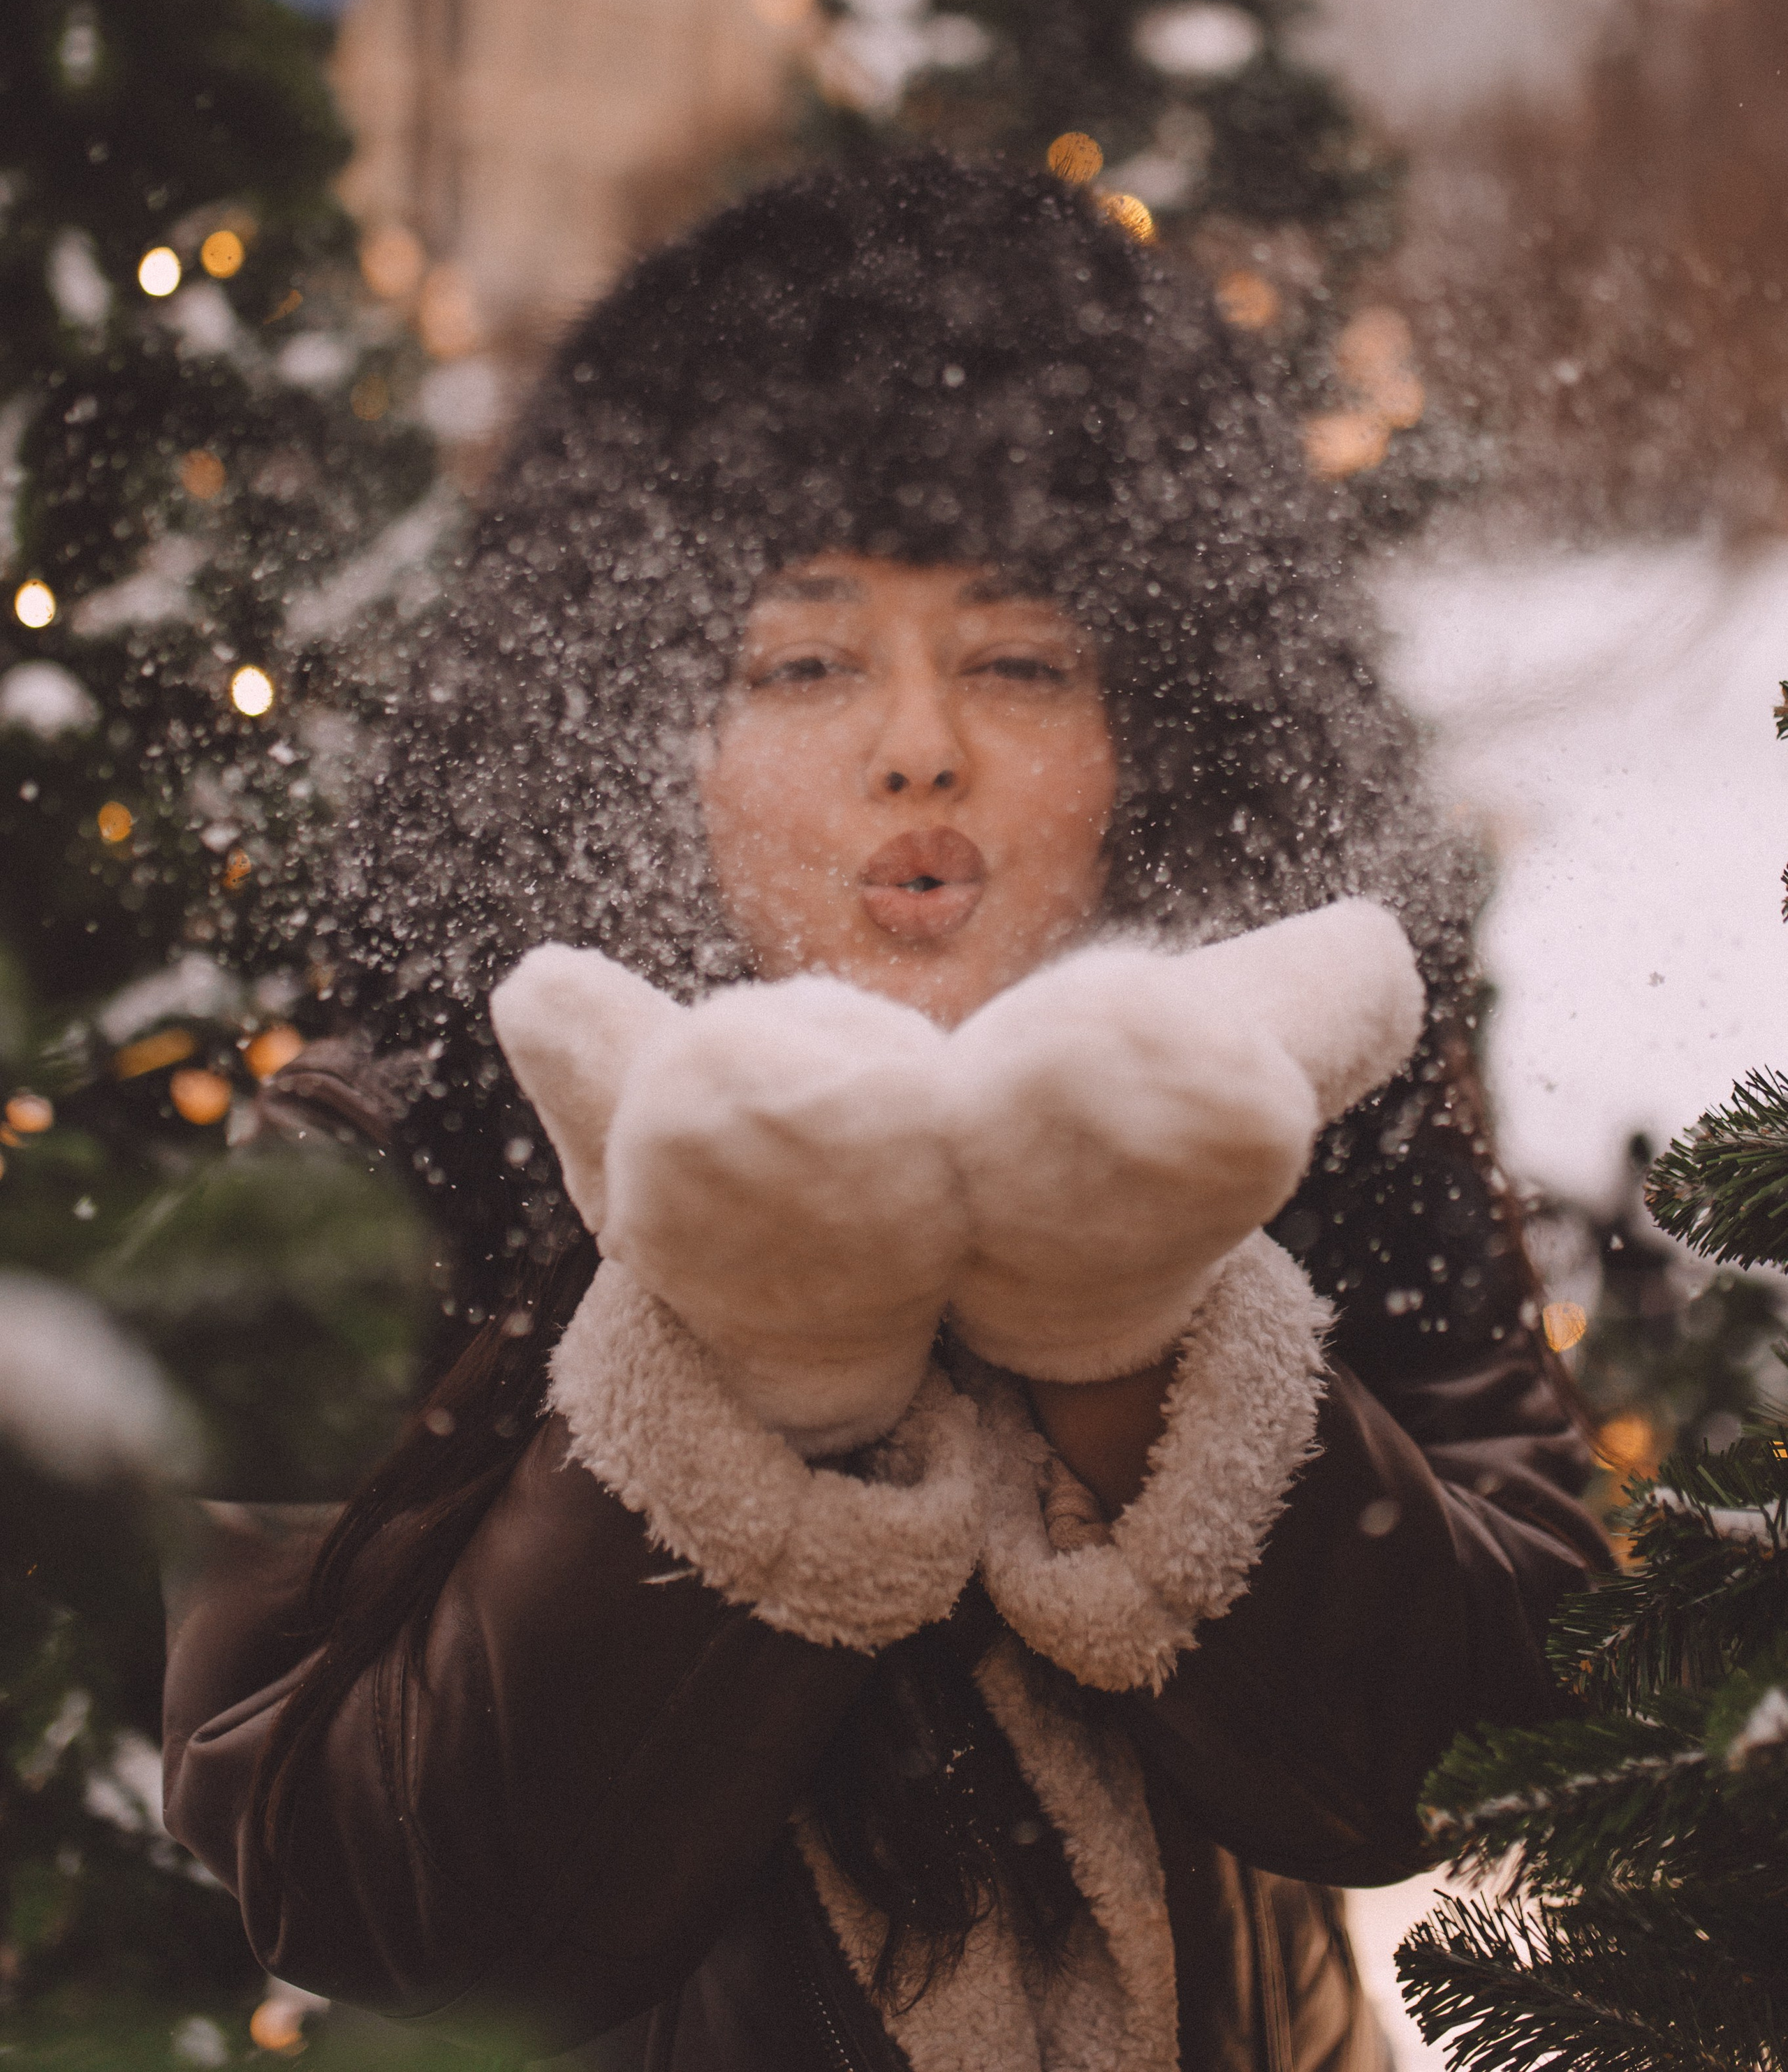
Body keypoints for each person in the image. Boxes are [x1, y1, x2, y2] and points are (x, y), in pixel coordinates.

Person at [163, 154, 1604, 2072]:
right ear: (635, 729)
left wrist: (1141, 1345)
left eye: (1018, 659)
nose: (919, 740)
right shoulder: (399, 1159)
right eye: (805, 662)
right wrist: (751, 1365)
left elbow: (1526, 1739)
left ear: (1156, 724)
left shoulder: (1301, 1113)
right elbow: (362, 1879)